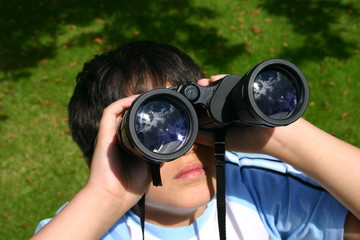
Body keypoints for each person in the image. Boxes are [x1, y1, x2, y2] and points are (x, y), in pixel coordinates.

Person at [32, 41, 360, 239]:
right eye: (157, 131)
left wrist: (281, 138)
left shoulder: (253, 186)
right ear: (115, 152)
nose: (187, 144)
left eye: (190, 117)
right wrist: (106, 196)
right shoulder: (92, 223)